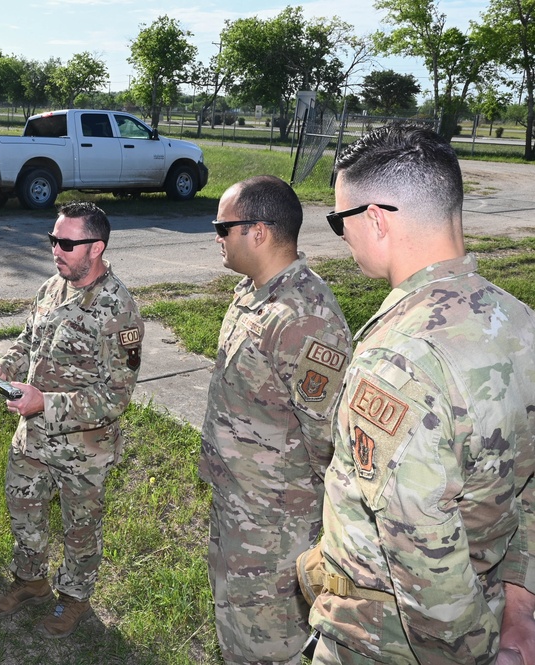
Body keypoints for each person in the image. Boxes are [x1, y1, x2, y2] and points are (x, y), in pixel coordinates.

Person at [306, 123, 535, 664]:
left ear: (376, 219)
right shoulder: (522, 323)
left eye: (340, 222)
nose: (344, 238)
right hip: (493, 602)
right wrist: (521, 605)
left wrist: (477, 653)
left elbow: (425, 562)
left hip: (388, 643)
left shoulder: (396, 363)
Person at [199, 176, 351, 664]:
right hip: (239, 506)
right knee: (235, 633)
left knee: (270, 647)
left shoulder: (304, 318)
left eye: (223, 226)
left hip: (277, 530)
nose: (216, 236)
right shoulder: (254, 292)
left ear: (258, 232)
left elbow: (331, 442)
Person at [0, 201, 144, 639]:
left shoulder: (118, 308)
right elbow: (26, 340)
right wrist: (4, 369)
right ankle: (31, 581)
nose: (56, 249)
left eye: (67, 243)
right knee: (25, 514)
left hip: (83, 451)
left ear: (97, 248)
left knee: (80, 531)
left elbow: (115, 396)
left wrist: (44, 405)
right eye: (54, 239)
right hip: (32, 439)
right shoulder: (51, 287)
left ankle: (73, 598)